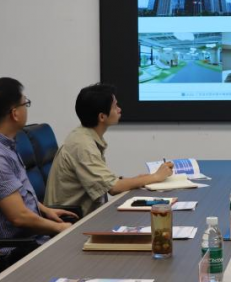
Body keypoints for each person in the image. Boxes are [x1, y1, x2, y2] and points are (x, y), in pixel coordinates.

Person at [0, 78, 73, 253]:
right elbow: (19, 217)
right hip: (14, 250)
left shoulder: (3, 144)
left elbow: (17, 193)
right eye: (25, 104)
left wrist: (43, 210)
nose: (26, 108)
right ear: (15, 113)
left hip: (33, 238)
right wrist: (60, 228)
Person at [45, 83, 174, 216]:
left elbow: (107, 182)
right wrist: (155, 177)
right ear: (102, 117)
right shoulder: (82, 145)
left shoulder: (85, 136)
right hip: (71, 220)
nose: (119, 109)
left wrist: (140, 179)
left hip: (86, 214)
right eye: (115, 106)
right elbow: (113, 188)